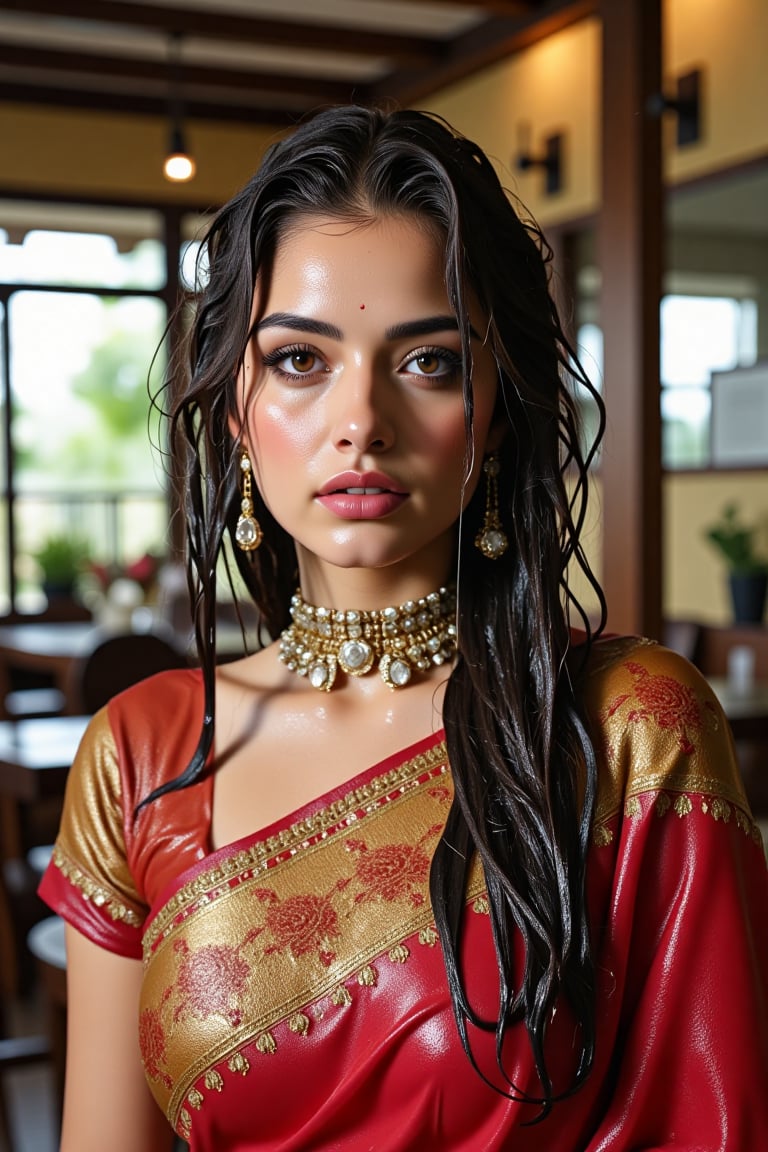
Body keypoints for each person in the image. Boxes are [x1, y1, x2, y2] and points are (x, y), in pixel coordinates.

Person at [40, 105, 768, 1152]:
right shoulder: (140, 750)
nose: (360, 421)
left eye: (428, 362)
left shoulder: (631, 729)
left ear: (498, 411)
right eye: (300, 360)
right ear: (237, 408)